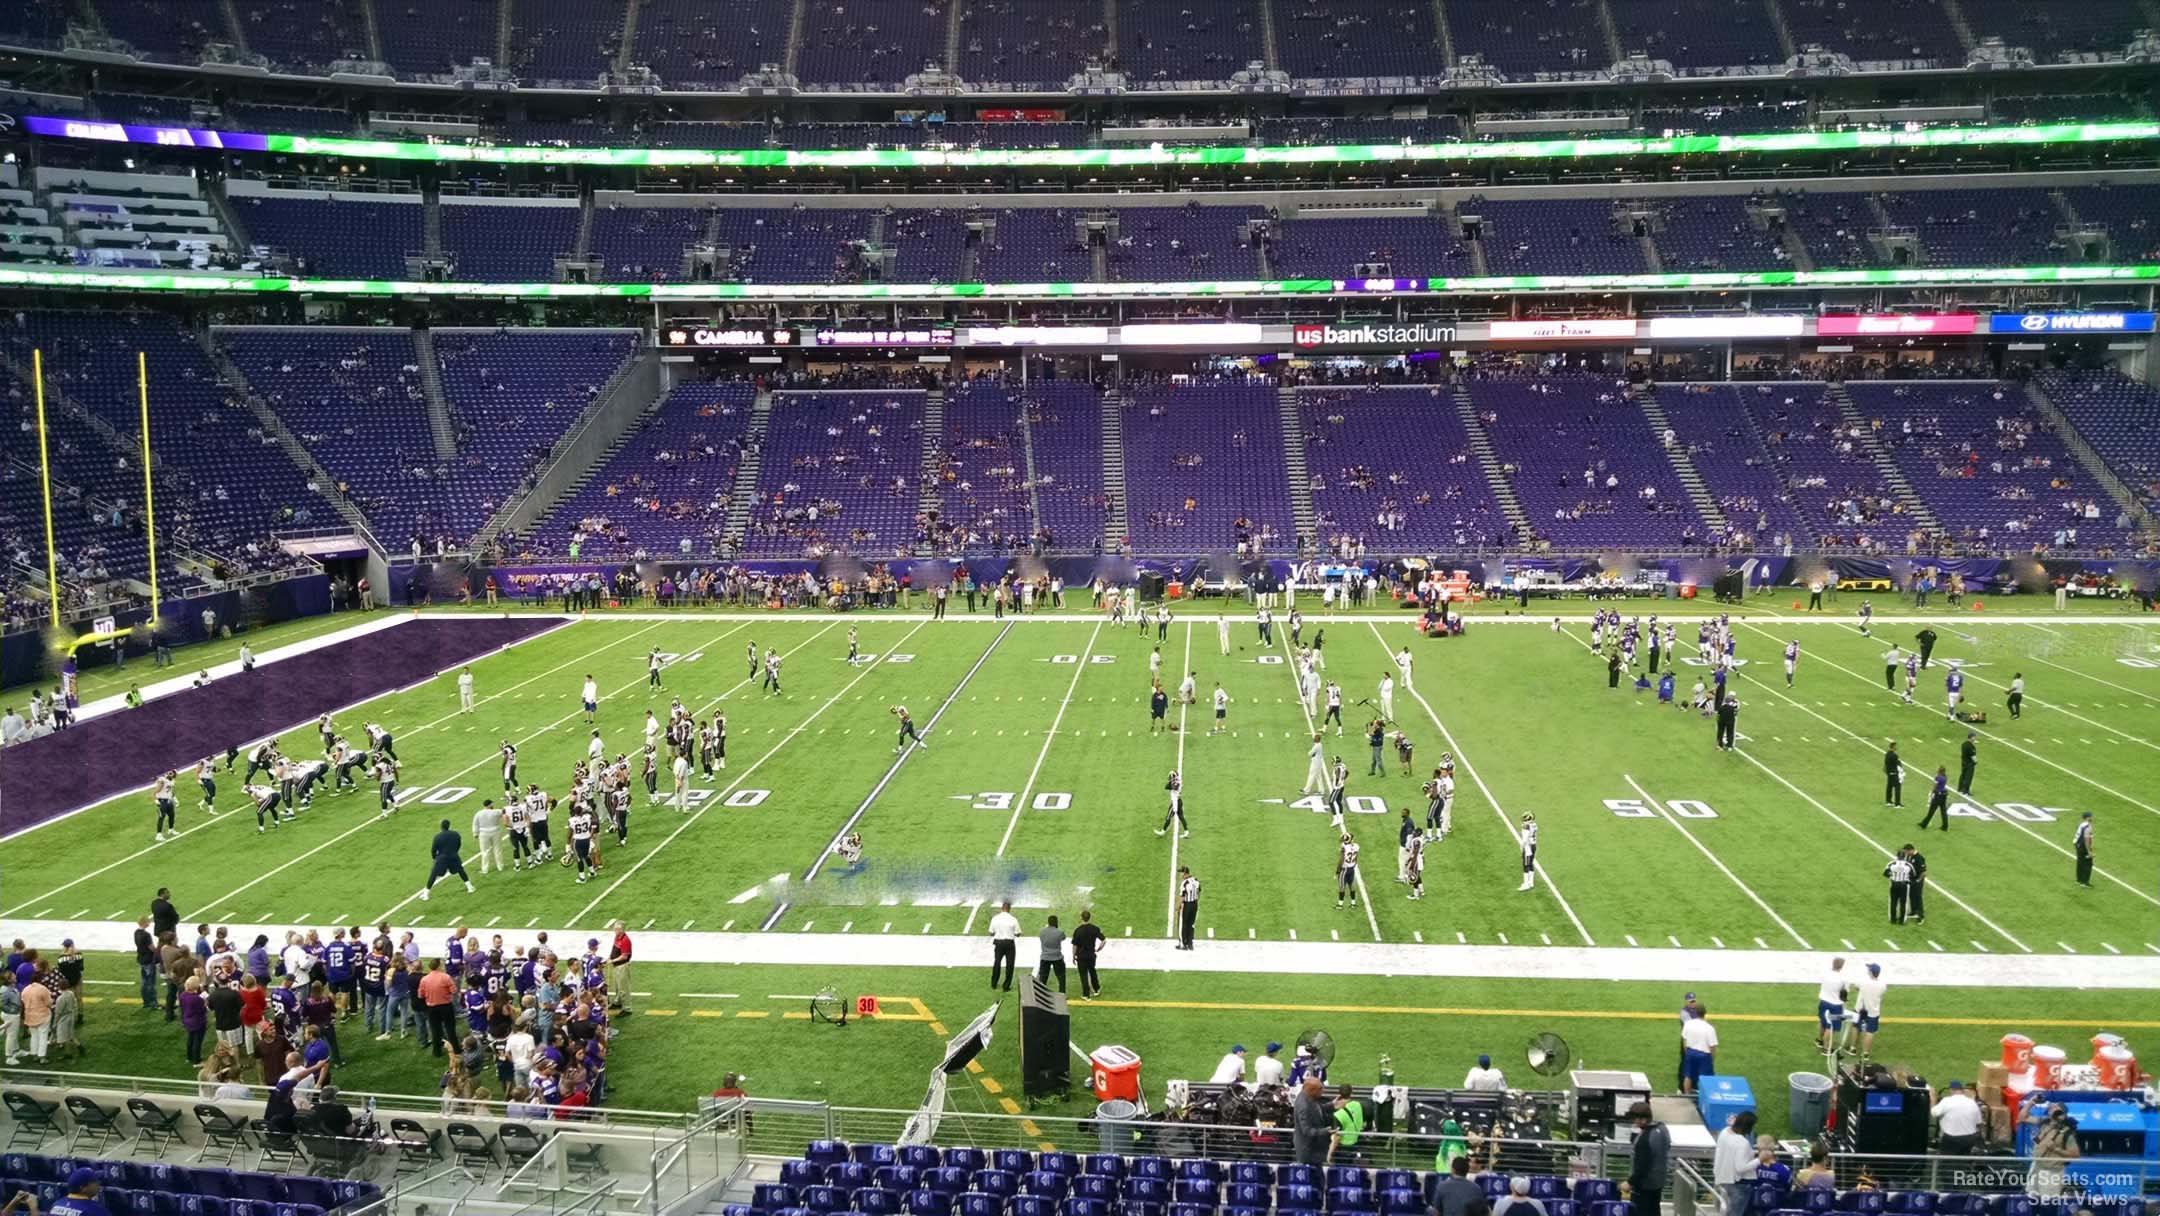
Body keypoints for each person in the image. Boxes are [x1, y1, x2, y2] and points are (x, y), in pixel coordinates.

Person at [1712, 1110, 1759, 1216]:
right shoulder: (1742, 1143)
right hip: (1738, 1185)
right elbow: (1741, 1168)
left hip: (1723, 1179)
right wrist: (1760, 1160)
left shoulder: (1725, 1132)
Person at [419, 818, 475, 901]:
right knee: (460, 871)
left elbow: (433, 850)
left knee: (433, 874)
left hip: (442, 858)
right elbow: (459, 844)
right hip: (453, 856)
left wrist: (435, 858)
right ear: (449, 826)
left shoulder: (437, 837)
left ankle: (426, 894)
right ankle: (470, 887)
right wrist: (454, 852)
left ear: (441, 827)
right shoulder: (455, 834)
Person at [1931, 1081, 1984, 1157]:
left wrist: (1933, 1099)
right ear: (1962, 1090)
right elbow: (1979, 1123)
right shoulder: (1972, 1102)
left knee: (1947, 1163)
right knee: (1963, 1161)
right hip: (1969, 1138)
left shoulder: (1947, 1101)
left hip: (1952, 1139)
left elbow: (1933, 1113)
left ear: (1951, 1090)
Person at [1291, 1075, 1332, 1167]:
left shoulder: (1308, 1097)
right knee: (1313, 1178)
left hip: (1314, 1151)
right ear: (1312, 1090)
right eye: (1320, 1089)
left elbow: (1315, 1110)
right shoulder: (1303, 1105)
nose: (1322, 1091)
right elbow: (1306, 1130)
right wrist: (1325, 1131)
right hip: (1309, 1152)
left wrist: (1331, 1105)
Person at [1681, 1006, 1718, 1094]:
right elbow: (1713, 1046)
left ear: (1695, 1013)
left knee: (1688, 1076)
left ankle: (1687, 1096)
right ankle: (1705, 1098)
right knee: (1706, 1079)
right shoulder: (1709, 1028)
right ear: (1705, 1014)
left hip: (1690, 1052)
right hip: (1704, 1055)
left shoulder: (1688, 1024)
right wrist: (1711, 1059)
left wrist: (1687, 1052)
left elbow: (1684, 1040)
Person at [1815, 957, 1847, 1053]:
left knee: (1823, 1021)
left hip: (1823, 1002)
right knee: (1831, 1026)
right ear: (1841, 966)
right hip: (1836, 1005)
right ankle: (1826, 1048)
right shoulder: (1843, 978)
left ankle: (1820, 1040)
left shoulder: (1825, 973)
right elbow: (1844, 993)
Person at [1071, 910, 1105, 1001]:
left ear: (1081, 918)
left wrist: (1073, 956)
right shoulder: (1095, 928)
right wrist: (1099, 949)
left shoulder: (1078, 930)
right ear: (1090, 917)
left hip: (1081, 956)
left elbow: (1075, 945)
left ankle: (1086, 994)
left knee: (1083, 975)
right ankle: (1096, 989)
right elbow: (1103, 940)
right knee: (1092, 971)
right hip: (1091, 955)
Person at [1328, 1083, 1366, 1164]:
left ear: (1339, 1094)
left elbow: (1336, 1138)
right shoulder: (1357, 1105)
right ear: (1351, 1093)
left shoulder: (1338, 1115)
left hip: (1343, 1148)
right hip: (1356, 1141)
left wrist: (1329, 1154)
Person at [987, 900, 1018, 991]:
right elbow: (1018, 933)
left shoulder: (995, 918)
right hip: (1009, 943)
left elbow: (991, 933)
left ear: (1002, 908)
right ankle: (1006, 986)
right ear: (1009, 909)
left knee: (997, 963)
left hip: (998, 943)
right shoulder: (1013, 919)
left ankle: (994, 983)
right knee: (1010, 965)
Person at [1035, 915, 1067, 992]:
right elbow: (1063, 937)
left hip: (1045, 957)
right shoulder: (1059, 932)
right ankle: (1062, 993)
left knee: (1043, 978)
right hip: (1057, 957)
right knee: (1061, 977)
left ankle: (1041, 993)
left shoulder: (1042, 931)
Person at [1918, 767, 1951, 832]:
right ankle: (1945, 826)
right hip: (1944, 795)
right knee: (1943, 811)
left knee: (1931, 811)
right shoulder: (1945, 777)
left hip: (1938, 796)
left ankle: (1924, 824)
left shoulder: (1938, 777)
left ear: (1939, 771)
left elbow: (1935, 786)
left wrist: (1932, 793)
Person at [1177, 866, 1200, 950]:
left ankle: (1183, 944)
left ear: (1184, 873)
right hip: (1194, 904)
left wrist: (1178, 906)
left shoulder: (1185, 883)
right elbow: (1198, 892)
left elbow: (1182, 896)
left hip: (1187, 905)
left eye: (1181, 873)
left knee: (1184, 924)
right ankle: (1190, 943)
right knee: (1191, 924)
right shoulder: (1196, 880)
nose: (1180, 875)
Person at [2072, 812, 2094, 887]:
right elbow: (2086, 839)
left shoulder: (2082, 824)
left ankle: (2079, 879)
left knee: (2080, 862)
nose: (2092, 818)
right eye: (2091, 817)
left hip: (2077, 844)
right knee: (2088, 864)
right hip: (2083, 846)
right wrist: (2089, 851)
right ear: (2087, 818)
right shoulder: (2088, 826)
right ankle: (2085, 882)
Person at [1883, 741, 1903, 807]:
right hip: (1894, 773)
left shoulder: (1887, 754)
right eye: (1896, 746)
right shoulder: (1894, 755)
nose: (1896, 747)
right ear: (1893, 746)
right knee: (1897, 788)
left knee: (1889, 787)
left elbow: (1885, 765)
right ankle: (1897, 804)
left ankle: (1888, 801)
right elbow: (1897, 764)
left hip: (1889, 773)